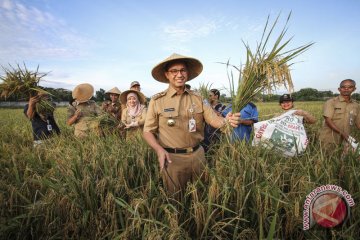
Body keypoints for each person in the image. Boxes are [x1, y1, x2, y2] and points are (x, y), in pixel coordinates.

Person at [143, 53, 240, 197]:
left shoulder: (198, 97)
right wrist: (158, 149)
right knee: (175, 200)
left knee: (201, 197)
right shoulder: (157, 101)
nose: (179, 74)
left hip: (198, 155)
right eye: (174, 71)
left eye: (183, 70)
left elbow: (214, 119)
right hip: (172, 158)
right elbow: (147, 131)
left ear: (187, 73)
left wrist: (227, 121)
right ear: (167, 75)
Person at [319, 79, 360, 151]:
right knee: (328, 160)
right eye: (343, 87)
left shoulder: (356, 105)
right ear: (339, 89)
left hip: (346, 140)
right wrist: (343, 134)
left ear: (354, 89)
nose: (346, 89)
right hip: (329, 139)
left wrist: (346, 137)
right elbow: (328, 120)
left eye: (350, 87)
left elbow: (358, 123)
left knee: (343, 161)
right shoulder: (331, 102)